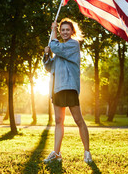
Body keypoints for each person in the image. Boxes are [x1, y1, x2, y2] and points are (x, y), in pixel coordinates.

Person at [43, 18, 93, 164]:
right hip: (57, 88)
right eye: (62, 30)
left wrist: (53, 32)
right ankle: (57, 153)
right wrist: (46, 55)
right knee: (59, 121)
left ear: (72, 31)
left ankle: (87, 152)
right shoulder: (59, 50)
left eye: (67, 30)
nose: (65, 32)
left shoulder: (73, 45)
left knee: (78, 120)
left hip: (69, 87)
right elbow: (49, 67)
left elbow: (56, 47)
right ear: (60, 31)